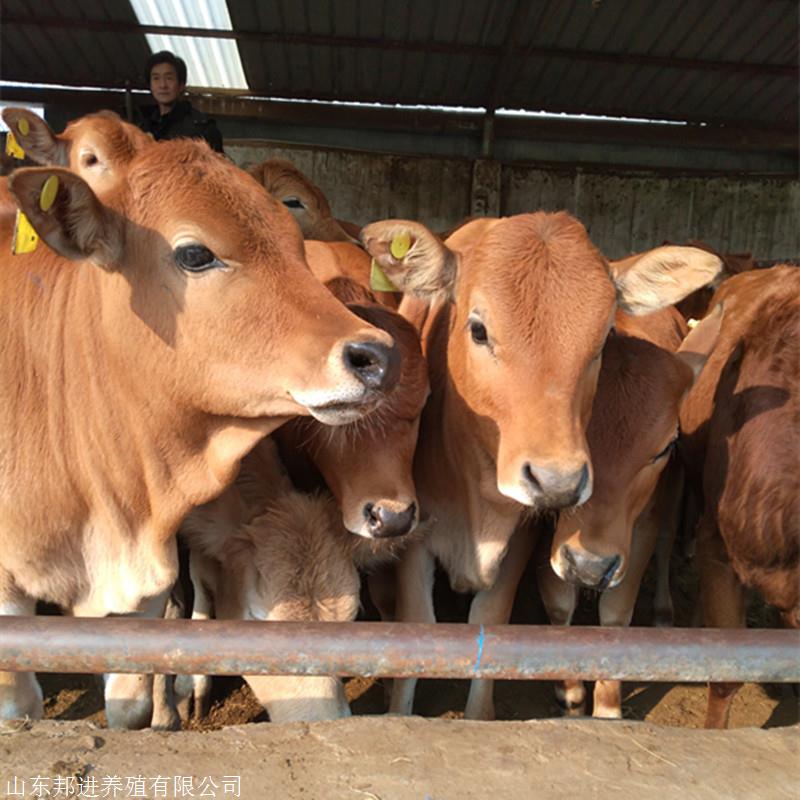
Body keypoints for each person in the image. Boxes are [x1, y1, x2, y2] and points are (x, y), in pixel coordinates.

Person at [137, 51, 224, 153]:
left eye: (169, 78)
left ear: (181, 85)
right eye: (156, 78)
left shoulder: (202, 128)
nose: (162, 85)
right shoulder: (144, 127)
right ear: (150, 85)